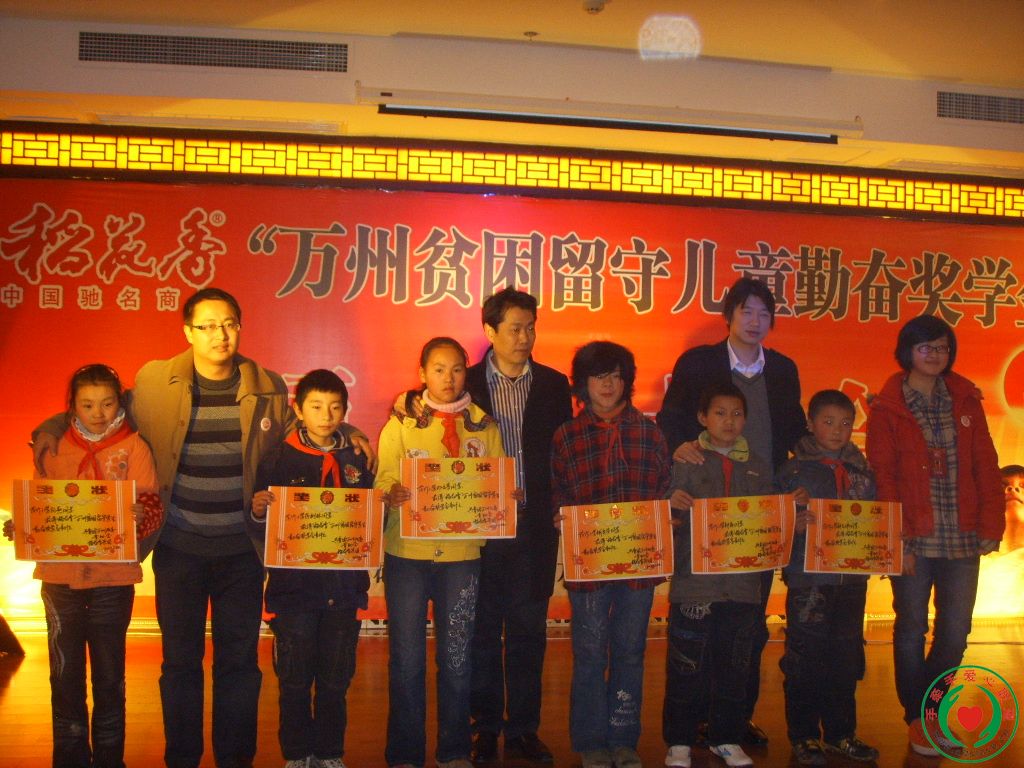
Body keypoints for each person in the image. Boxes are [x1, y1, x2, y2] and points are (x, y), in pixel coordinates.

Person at [31, 287, 371, 768]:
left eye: (229, 323)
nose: (220, 334)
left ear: (240, 327)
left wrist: (351, 432)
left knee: (239, 664)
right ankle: (182, 758)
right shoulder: (156, 381)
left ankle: (234, 759)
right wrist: (50, 427)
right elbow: (102, 410)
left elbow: (309, 424)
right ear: (188, 331)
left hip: (241, 551)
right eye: (208, 325)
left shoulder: (268, 386)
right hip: (179, 549)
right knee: (179, 664)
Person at [656, 276, 805, 745]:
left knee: (747, 627)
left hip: (756, 514)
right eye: (746, 311)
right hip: (703, 512)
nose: (755, 321)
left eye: (764, 313)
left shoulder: (783, 369)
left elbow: (794, 431)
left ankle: (734, 722)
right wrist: (678, 447)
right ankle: (693, 722)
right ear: (729, 316)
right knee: (697, 627)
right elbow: (670, 419)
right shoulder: (698, 362)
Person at [5, 364, 163, 768]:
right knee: (64, 675)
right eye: (87, 404)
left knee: (110, 678)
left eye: (107, 403)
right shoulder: (53, 445)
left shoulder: (135, 447)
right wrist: (25, 525)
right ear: (72, 405)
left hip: (113, 580)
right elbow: (43, 503)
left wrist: (140, 513)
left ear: (119, 403)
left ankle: (110, 760)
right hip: (59, 579)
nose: (98, 413)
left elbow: (152, 505)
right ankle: (70, 758)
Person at [865, 315, 1003, 757]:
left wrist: (991, 524)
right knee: (910, 627)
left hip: (962, 532)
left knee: (956, 631)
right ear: (907, 352)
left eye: (942, 347)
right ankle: (919, 719)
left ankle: (929, 712)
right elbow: (883, 477)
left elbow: (986, 463)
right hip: (913, 536)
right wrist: (895, 539)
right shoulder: (887, 406)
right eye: (925, 347)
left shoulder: (965, 399)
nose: (934, 355)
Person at [377, 337, 509, 768]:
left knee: (457, 657)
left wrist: (503, 498)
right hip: (407, 555)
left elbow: (496, 484)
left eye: (456, 369)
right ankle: (405, 754)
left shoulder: (484, 427)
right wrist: (391, 492)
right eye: (438, 369)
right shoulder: (401, 423)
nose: (448, 378)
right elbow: (382, 478)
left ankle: (453, 751)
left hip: (461, 557)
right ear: (422, 373)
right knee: (406, 660)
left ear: (466, 373)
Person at [551, 341, 671, 768]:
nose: (608, 385)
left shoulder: (650, 433)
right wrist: (559, 517)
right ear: (583, 383)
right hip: (589, 568)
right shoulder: (566, 435)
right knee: (588, 653)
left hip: (639, 569)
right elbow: (557, 492)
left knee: (630, 651)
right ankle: (590, 742)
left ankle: (623, 738)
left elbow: (664, 491)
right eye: (599, 376)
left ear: (627, 382)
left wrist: (665, 521)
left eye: (616, 376)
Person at [467, 288, 572, 765]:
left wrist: (562, 505)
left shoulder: (553, 384)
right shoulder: (466, 382)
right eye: (514, 328)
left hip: (534, 527)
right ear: (490, 331)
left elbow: (563, 453)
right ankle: (485, 727)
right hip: (480, 529)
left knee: (529, 632)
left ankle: (524, 729)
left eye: (530, 327)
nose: (525, 337)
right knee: (483, 631)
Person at [249, 369, 374, 768]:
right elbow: (262, 523)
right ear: (298, 410)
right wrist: (259, 510)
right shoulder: (278, 456)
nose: (326, 415)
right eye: (316, 407)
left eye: (335, 407)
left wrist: (383, 508)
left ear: (345, 410)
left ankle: (330, 752)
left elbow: (367, 514)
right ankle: (297, 753)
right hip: (295, 590)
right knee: (294, 679)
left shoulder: (357, 457)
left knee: (336, 679)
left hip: (343, 587)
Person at [662, 382, 776, 768]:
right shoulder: (685, 460)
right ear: (702, 418)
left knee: (735, 666)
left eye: (737, 414)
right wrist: (671, 503)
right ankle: (679, 741)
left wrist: (789, 515)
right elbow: (665, 516)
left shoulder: (759, 466)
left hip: (743, 586)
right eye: (720, 413)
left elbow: (768, 521)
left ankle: (726, 738)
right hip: (695, 584)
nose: (729, 421)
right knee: (685, 666)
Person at [775, 390, 879, 766]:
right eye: (828, 421)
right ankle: (803, 735)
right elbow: (770, 526)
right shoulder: (791, 472)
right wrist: (794, 523)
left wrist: (884, 540)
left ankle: (840, 733)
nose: (837, 430)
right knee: (805, 658)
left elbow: (876, 522)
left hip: (851, 581)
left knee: (846, 658)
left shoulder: (864, 474)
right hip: (809, 582)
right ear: (810, 424)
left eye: (846, 423)